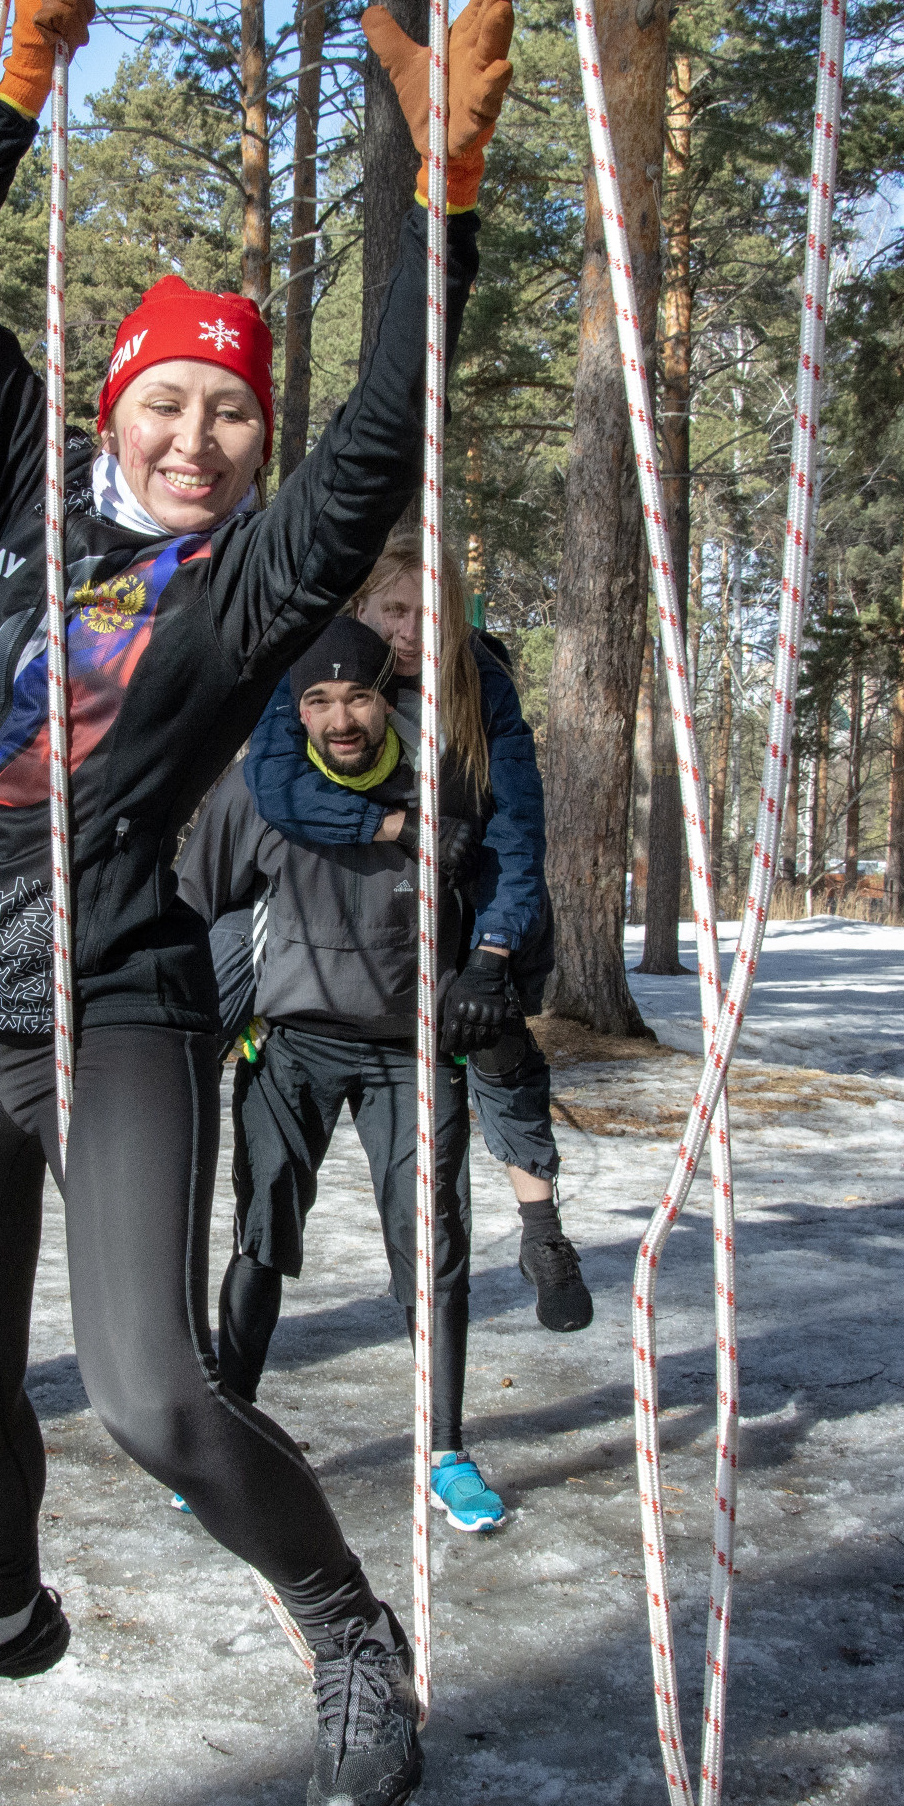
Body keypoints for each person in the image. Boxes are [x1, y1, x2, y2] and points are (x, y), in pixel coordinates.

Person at [0, 0, 521, 1806]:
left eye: (230, 412)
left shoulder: (243, 591)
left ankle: (349, 1635)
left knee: (147, 1394)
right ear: (120, 404)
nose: (196, 434)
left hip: (115, 1003)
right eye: (169, 400)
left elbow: (386, 433)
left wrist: (438, 197)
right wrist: (7, 96)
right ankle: (1, 1620)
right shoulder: (24, 491)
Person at [181, 615, 512, 1532]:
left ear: (388, 695)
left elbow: (504, 889)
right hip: (290, 1046)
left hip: (413, 1052)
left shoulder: (443, 784)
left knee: (432, 1247)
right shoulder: (261, 790)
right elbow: (192, 907)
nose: (340, 717)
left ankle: (444, 1450)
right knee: (262, 1234)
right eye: (318, 699)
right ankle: (228, 1433)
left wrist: (490, 973)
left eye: (357, 695)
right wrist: (219, 1006)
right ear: (297, 707)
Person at [240, 538, 592, 1335]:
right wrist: (395, 825)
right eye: (394, 610)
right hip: (348, 920)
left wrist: (494, 952)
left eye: (431, 615)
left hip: (473, 898)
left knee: (495, 1033)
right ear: (360, 608)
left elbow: (517, 830)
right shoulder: (320, 670)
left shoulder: (480, 685)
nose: (410, 631)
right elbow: (274, 784)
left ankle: (542, 1232)